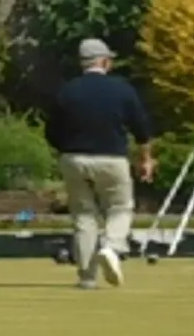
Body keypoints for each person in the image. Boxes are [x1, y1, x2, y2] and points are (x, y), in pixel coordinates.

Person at [45, 37, 156, 288]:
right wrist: (146, 159)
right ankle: (113, 246)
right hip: (111, 158)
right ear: (104, 61)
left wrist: (67, 152)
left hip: (73, 158)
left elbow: (51, 131)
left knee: (84, 215)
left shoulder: (67, 90)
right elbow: (142, 129)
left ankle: (87, 277)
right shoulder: (122, 89)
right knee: (120, 207)